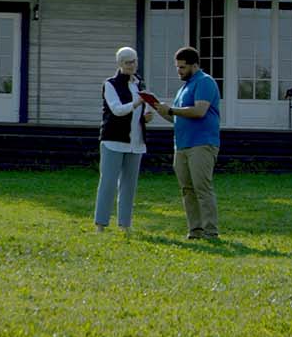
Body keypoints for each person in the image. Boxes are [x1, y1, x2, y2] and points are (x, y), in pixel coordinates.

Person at [153, 46, 220, 240]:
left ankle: (211, 231)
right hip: (181, 145)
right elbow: (177, 118)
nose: (179, 71)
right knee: (187, 190)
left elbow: (199, 111)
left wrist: (172, 110)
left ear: (194, 65)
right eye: (177, 67)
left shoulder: (205, 82)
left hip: (202, 144)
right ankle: (195, 230)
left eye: (182, 67)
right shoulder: (184, 87)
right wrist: (162, 111)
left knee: (202, 188)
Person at [94, 46, 154, 233]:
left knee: (129, 185)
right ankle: (101, 224)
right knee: (109, 183)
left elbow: (145, 108)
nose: (132, 65)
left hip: (135, 142)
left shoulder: (139, 83)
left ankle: (125, 224)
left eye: (134, 61)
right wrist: (137, 103)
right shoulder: (110, 84)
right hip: (113, 140)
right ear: (120, 64)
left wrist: (147, 113)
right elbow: (117, 109)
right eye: (128, 62)